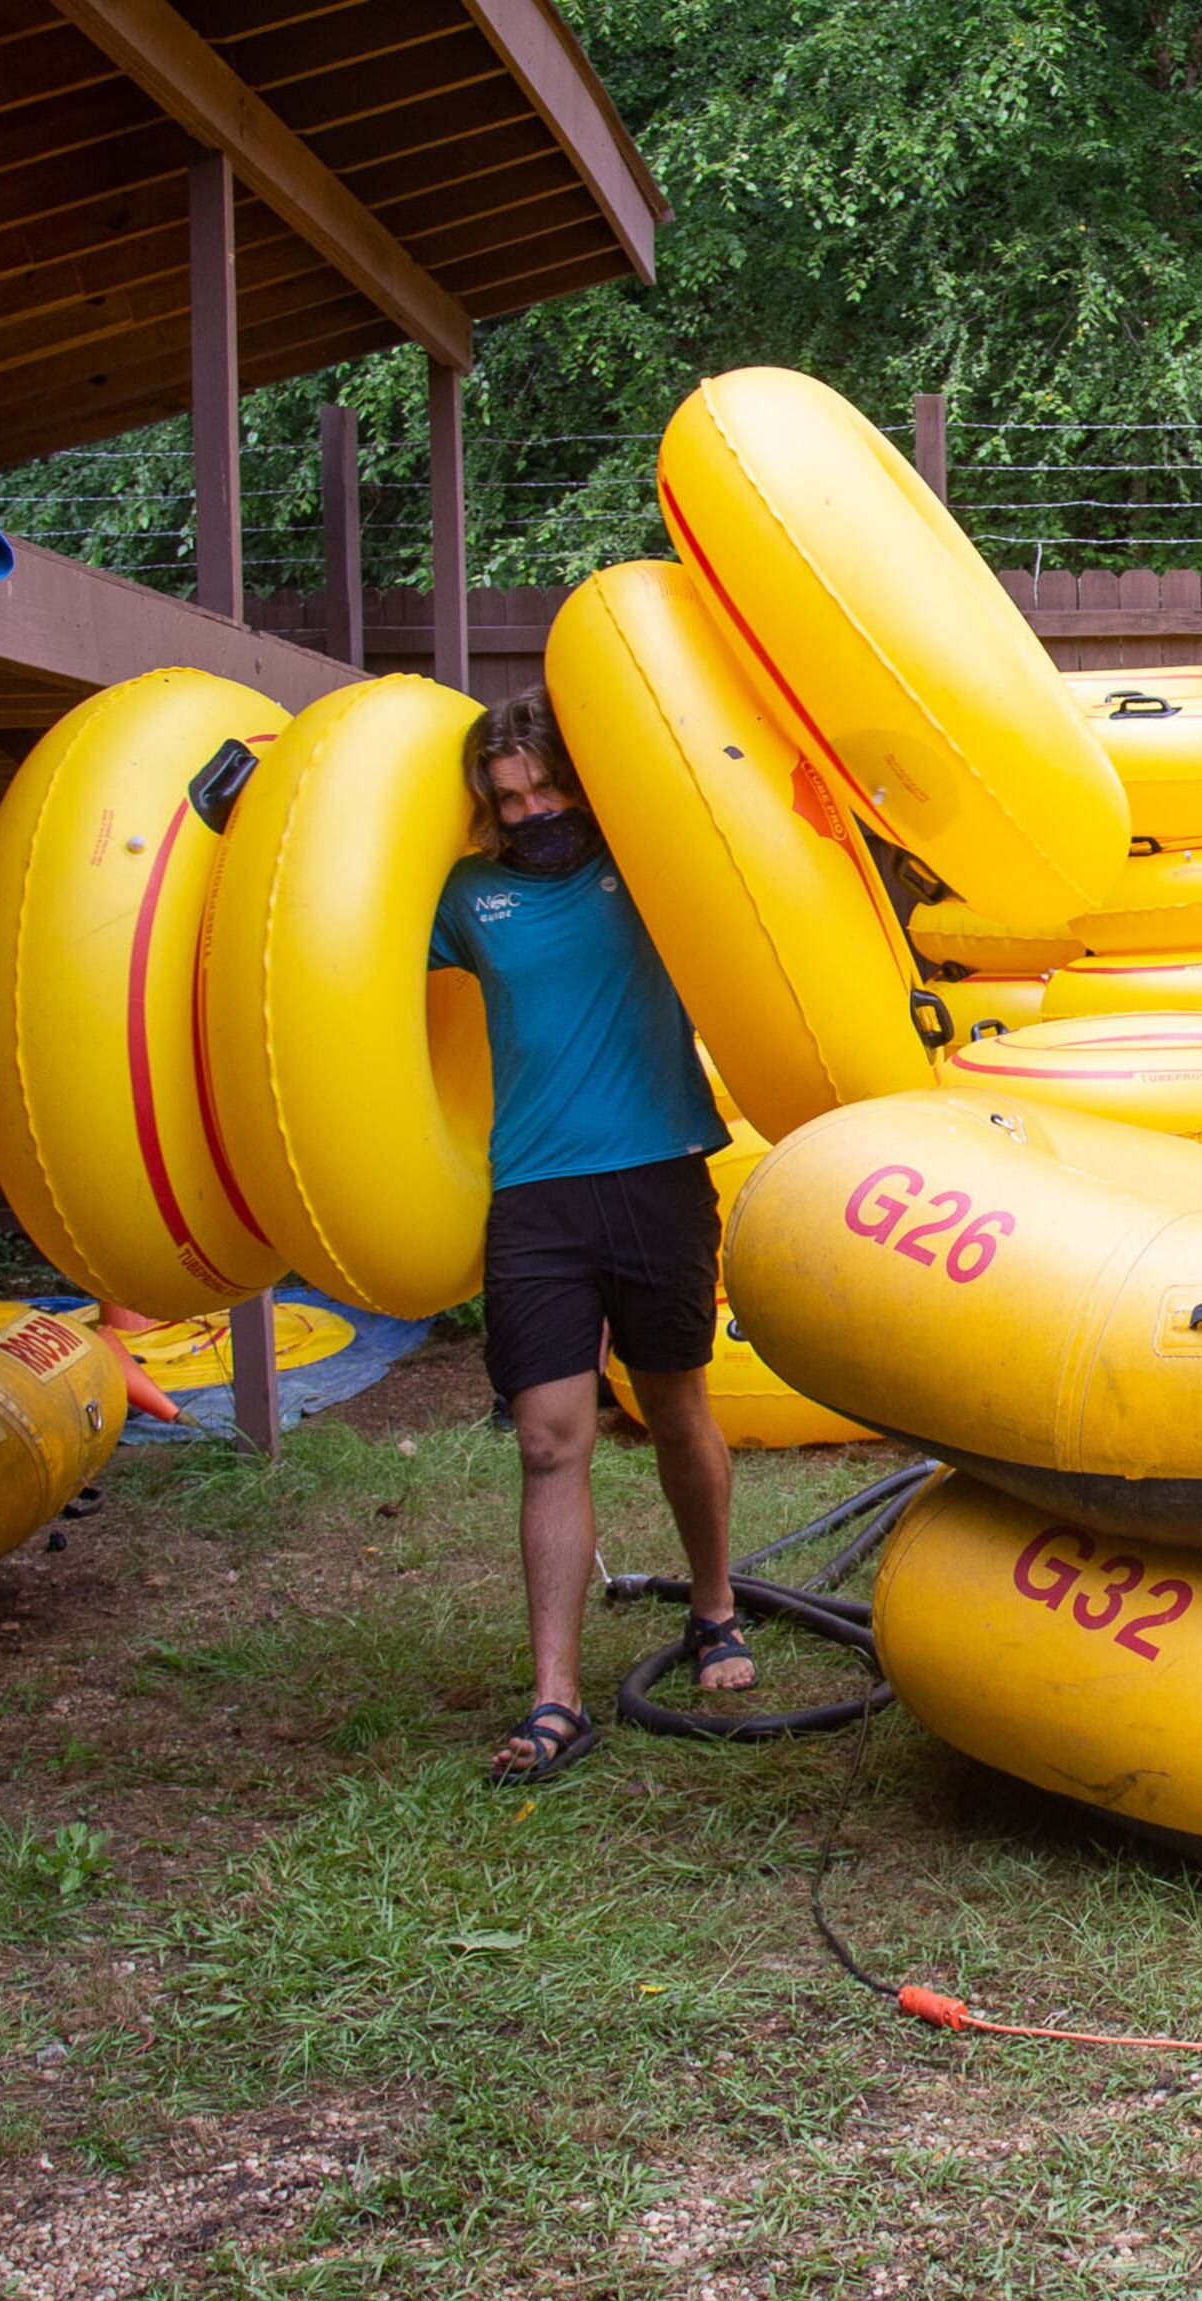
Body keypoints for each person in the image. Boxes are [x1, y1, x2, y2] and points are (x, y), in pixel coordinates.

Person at [439, 692, 748, 1783]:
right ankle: (556, 1698)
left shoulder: (649, 862)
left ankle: (715, 1610)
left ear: (582, 778)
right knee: (548, 1435)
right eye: (508, 797)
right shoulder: (468, 899)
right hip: (536, 1190)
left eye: (547, 786)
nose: (531, 811)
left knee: (672, 1404)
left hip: (660, 1168)